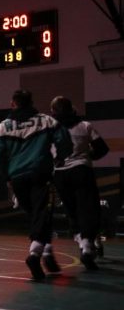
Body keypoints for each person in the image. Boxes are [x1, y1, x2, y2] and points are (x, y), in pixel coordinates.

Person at [0, 89, 72, 280]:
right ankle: (36, 253)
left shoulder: (2, 128)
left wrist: (7, 177)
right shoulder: (46, 121)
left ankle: (46, 251)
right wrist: (60, 158)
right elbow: (65, 140)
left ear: (13, 103)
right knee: (42, 215)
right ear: (31, 102)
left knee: (37, 216)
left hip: (17, 178)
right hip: (39, 174)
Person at [49, 96, 108, 269]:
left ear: (53, 112)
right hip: (81, 170)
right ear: (72, 108)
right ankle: (88, 246)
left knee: (72, 210)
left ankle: (82, 243)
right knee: (89, 208)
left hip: (60, 174)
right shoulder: (85, 126)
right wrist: (89, 155)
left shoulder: (50, 130)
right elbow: (102, 148)